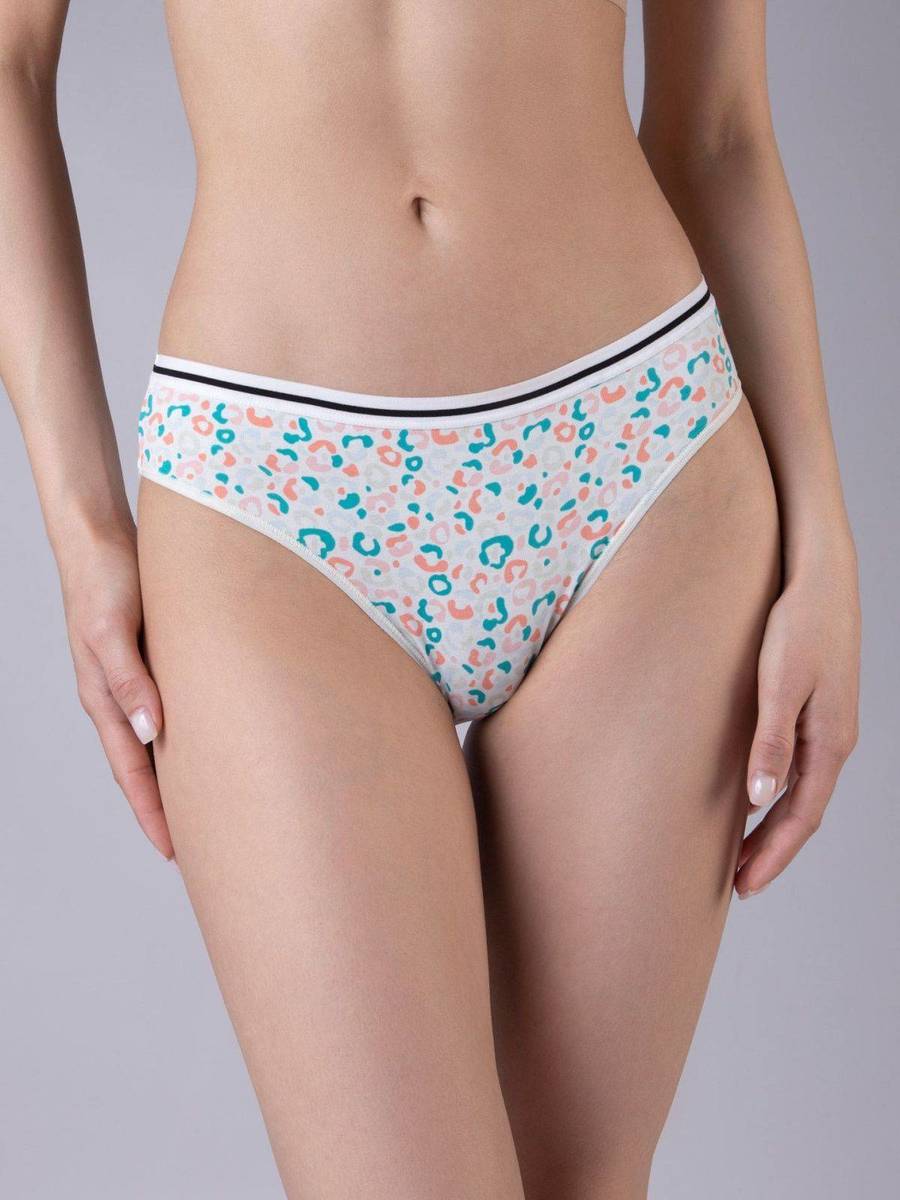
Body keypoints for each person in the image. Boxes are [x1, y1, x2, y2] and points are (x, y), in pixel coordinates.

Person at [1, 2, 860, 1197]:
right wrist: (84, 527)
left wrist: (825, 544)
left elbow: (717, 128)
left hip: (642, 456)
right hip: (272, 490)